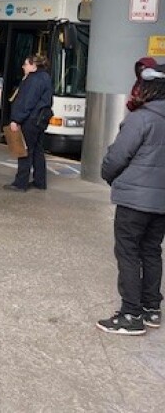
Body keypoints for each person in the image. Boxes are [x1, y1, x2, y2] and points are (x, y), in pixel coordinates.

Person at [96, 65, 165, 335]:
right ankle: (151, 308)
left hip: (134, 202)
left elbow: (117, 157)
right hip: (161, 203)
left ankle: (130, 314)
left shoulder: (141, 119)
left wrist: (109, 176)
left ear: (147, 90)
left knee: (128, 252)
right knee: (151, 250)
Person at [2, 55, 54, 191]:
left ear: (33, 66)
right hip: (40, 120)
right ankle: (40, 181)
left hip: (30, 120)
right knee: (37, 150)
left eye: (26, 64)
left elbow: (27, 102)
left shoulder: (33, 79)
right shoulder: (45, 77)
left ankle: (20, 183)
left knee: (24, 151)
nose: (23, 67)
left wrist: (16, 119)